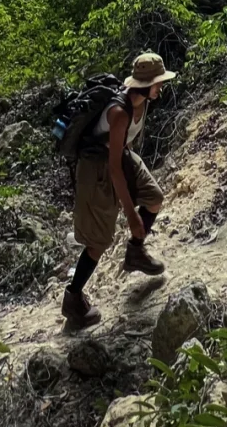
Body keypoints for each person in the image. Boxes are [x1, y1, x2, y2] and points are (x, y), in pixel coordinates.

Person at [61, 51, 176, 327]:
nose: (160, 87)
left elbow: (122, 150)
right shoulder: (119, 112)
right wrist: (131, 215)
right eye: (158, 83)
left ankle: (135, 252)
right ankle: (73, 300)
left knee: (154, 198)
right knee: (99, 241)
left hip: (117, 156)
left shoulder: (142, 101)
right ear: (145, 85)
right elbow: (113, 168)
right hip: (96, 167)